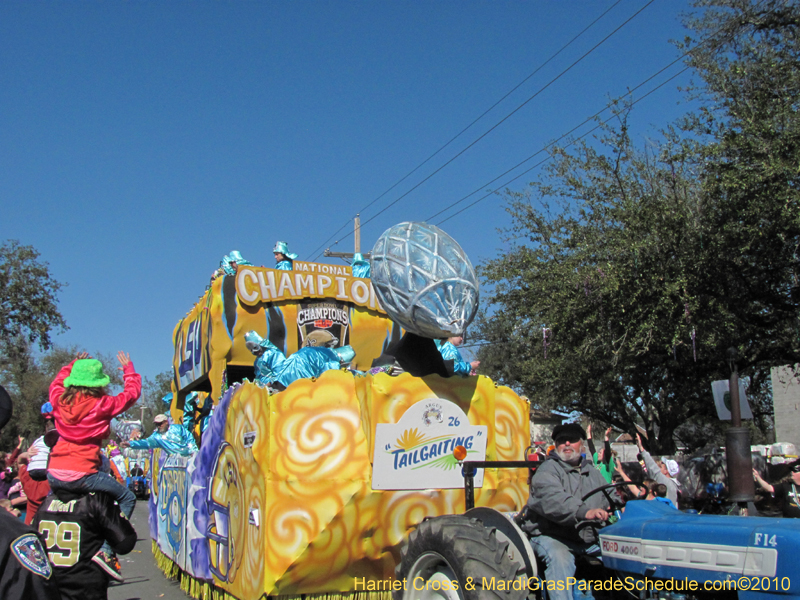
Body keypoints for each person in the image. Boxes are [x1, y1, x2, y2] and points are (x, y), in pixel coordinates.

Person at [48, 351, 142, 580]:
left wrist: (72, 364)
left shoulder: (59, 402)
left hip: (54, 473)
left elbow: (55, 384)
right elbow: (131, 395)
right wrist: (129, 371)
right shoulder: (102, 405)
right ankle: (107, 552)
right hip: (82, 473)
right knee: (127, 497)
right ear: (98, 384)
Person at [523, 423, 617, 600]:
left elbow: (609, 494)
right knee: (560, 558)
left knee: (621, 553)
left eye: (572, 440)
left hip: (586, 537)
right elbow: (552, 500)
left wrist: (624, 498)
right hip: (552, 534)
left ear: (581, 444)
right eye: (561, 441)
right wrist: (585, 512)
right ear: (556, 445)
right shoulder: (547, 470)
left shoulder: (592, 472)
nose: (567, 444)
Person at [0, 384, 62, 600]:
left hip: (31, 520)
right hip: (45, 528)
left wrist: (22, 460)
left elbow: (23, 471)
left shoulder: (28, 481)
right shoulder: (15, 539)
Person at [34, 489, 137, 600]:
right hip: (85, 583)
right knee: (128, 497)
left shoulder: (45, 503)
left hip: (52, 581)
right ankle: (105, 552)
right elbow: (124, 544)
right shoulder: (94, 501)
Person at [122, 413, 198, 456]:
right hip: (175, 463)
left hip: (189, 457)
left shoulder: (179, 428)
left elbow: (189, 439)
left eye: (160, 423)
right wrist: (130, 444)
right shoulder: (156, 437)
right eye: (156, 424)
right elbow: (145, 443)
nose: (158, 426)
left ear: (166, 422)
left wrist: (193, 452)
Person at [635, 433, 679, 506]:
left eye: (661, 465)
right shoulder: (671, 485)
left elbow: (654, 470)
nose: (658, 466)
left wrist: (642, 449)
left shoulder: (668, 484)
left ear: (666, 471)